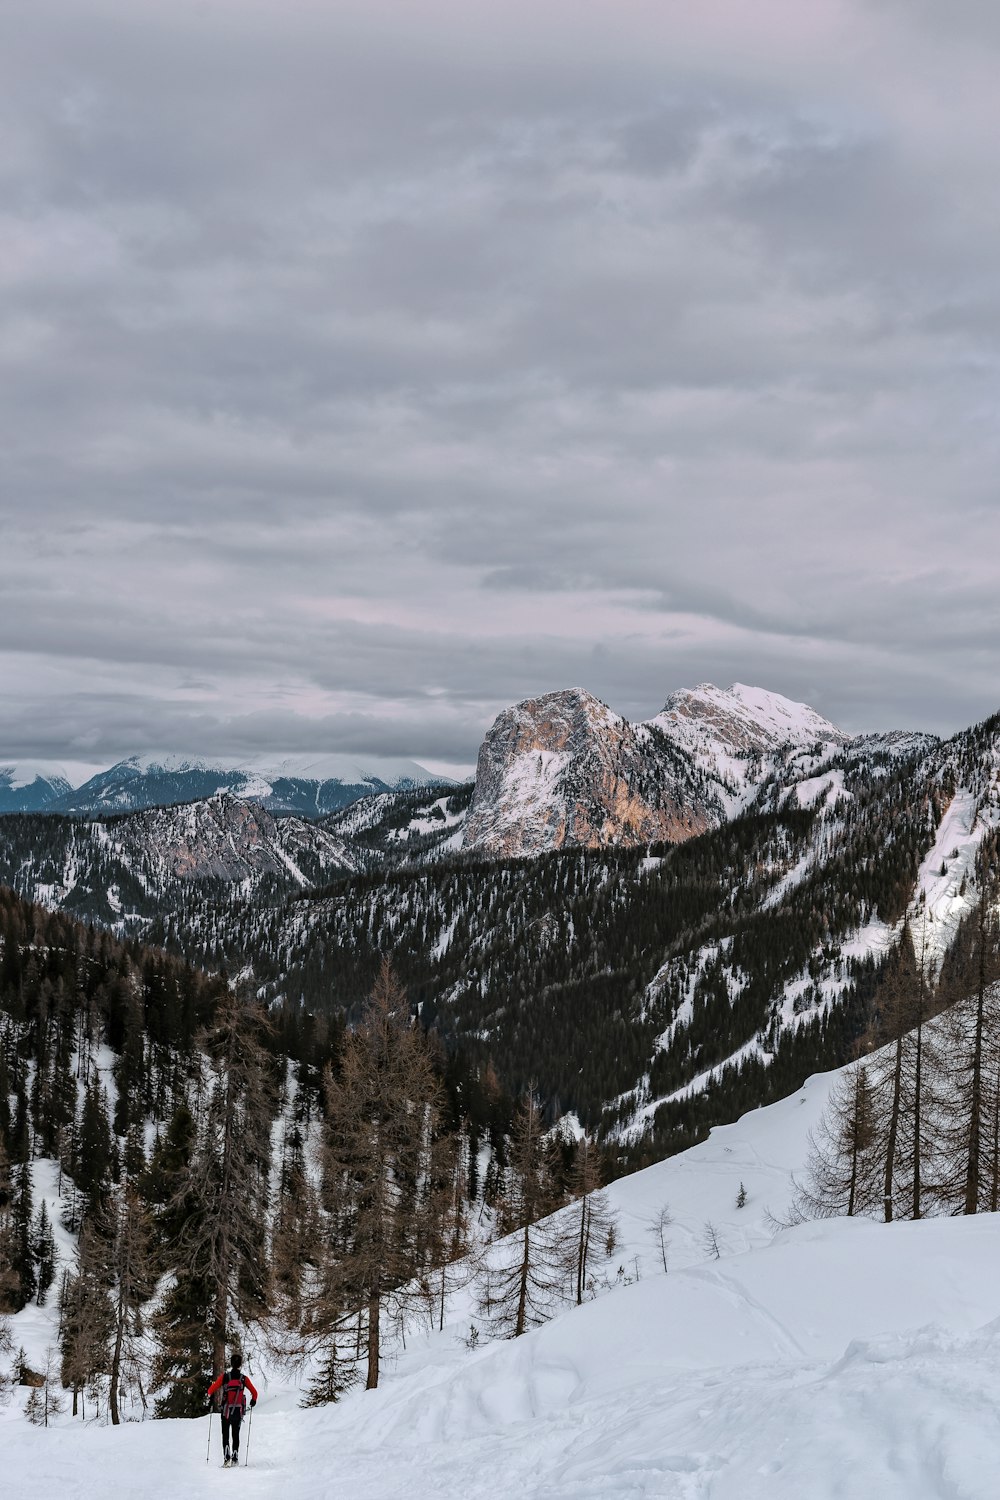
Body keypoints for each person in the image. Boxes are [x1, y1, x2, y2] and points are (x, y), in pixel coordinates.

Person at [207, 1354, 258, 1467]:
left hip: (225, 1411)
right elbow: (254, 1393)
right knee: (236, 1434)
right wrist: (253, 1401)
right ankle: (235, 1458)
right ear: (240, 1364)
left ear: (231, 1363)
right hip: (238, 1412)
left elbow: (211, 1390)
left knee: (225, 1434)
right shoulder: (243, 1378)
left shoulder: (225, 1377)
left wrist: (210, 1397)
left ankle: (226, 1459)